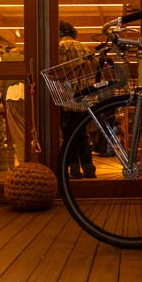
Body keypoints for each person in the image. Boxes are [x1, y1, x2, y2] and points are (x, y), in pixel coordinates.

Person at [58, 20, 96, 179]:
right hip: (84, 96)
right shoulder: (85, 47)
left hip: (68, 95)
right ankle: (89, 169)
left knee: (69, 135)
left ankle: (74, 169)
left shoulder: (61, 47)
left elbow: (60, 69)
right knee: (82, 133)